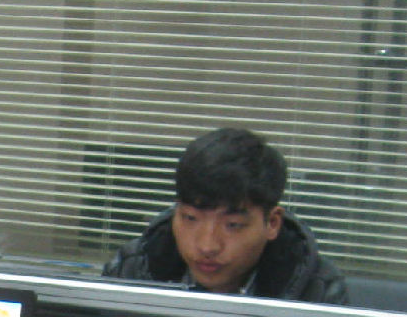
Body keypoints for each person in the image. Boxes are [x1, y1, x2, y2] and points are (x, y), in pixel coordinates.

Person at [104, 127, 349, 304]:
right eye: (190, 218)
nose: (207, 246)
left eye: (233, 225)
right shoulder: (130, 271)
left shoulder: (317, 291)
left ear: (272, 223)